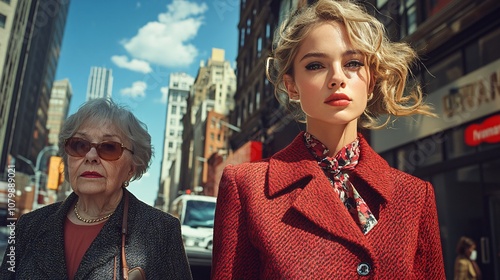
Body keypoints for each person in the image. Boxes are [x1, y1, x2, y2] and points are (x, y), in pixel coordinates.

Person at [211, 0, 445, 279]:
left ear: (370, 82)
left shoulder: (414, 196)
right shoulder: (247, 188)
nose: (337, 78)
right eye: (315, 65)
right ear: (292, 86)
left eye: (353, 63)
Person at [0, 98, 192, 279]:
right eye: (79, 145)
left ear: (131, 168)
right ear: (68, 161)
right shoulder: (27, 226)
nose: (91, 156)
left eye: (109, 147)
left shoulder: (161, 231)